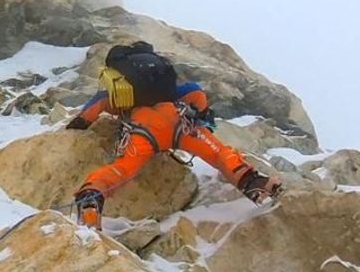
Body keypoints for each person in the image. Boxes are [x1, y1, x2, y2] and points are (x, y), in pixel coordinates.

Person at [66, 41, 283, 229]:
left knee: (124, 169)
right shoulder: (165, 78)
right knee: (218, 154)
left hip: (143, 127)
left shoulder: (120, 90)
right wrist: (201, 115)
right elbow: (195, 93)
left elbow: (98, 104)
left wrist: (79, 124)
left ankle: (92, 197)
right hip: (179, 122)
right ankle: (253, 181)